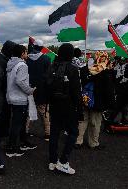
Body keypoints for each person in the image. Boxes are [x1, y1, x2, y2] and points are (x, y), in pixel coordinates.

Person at [47, 43, 83, 175]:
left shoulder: (52, 66)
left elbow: (47, 86)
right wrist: (79, 110)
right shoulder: (73, 69)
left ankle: (53, 160)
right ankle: (63, 161)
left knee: (55, 132)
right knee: (73, 132)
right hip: (68, 106)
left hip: (54, 105)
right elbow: (76, 92)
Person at [74, 50, 114, 149]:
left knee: (82, 121)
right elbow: (108, 89)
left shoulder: (85, 69)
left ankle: (78, 141)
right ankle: (93, 143)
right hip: (98, 101)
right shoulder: (104, 71)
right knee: (95, 122)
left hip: (85, 98)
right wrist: (110, 103)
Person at [5, 44, 36, 157]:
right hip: (19, 98)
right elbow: (20, 81)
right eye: (26, 52)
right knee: (17, 124)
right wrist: (30, 90)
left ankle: (22, 142)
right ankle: (12, 148)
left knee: (19, 123)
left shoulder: (11, 63)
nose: (27, 54)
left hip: (12, 96)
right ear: (22, 53)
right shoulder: (22, 65)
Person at [26, 39, 51, 141]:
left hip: (29, 88)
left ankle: (25, 131)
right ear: (42, 48)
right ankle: (48, 133)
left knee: (28, 111)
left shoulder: (27, 58)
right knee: (44, 111)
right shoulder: (46, 59)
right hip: (42, 89)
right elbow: (48, 75)